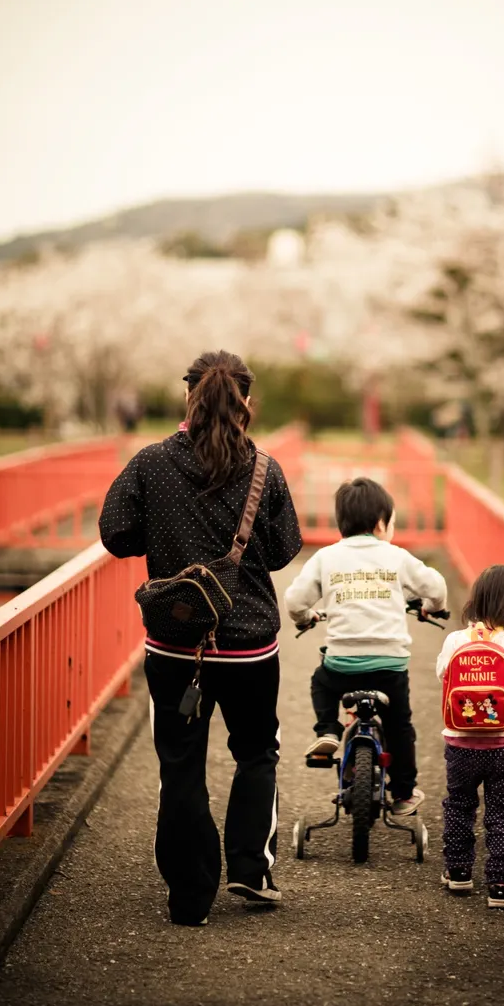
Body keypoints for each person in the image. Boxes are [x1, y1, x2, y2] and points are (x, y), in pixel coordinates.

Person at [99, 350, 302, 925]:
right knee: (257, 751)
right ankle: (249, 869)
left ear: (188, 397)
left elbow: (116, 534)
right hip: (249, 646)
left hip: (174, 644)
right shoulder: (265, 469)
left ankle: (190, 897)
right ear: (246, 402)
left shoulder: (150, 463)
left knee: (180, 763)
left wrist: (162, 539)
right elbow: (286, 549)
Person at [285, 477, 447, 816]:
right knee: (400, 726)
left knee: (321, 681)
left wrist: (305, 617)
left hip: (343, 664)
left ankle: (328, 730)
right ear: (380, 523)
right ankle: (402, 792)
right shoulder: (398, 557)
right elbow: (435, 585)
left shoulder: (326, 557)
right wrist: (432, 605)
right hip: (389, 665)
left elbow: (295, 600)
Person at [436, 564, 504, 906]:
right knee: (503, 813)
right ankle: (501, 886)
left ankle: (460, 872)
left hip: (461, 743)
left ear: (475, 601)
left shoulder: (455, 640)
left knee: (460, 805)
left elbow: (442, 676)